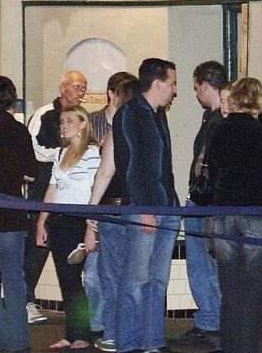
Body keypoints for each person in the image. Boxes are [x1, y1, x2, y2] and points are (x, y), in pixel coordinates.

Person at [207, 77, 262, 353]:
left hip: (225, 211)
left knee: (230, 289)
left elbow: (213, 171)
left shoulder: (218, 130)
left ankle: (229, 346)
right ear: (257, 101)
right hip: (257, 213)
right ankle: (248, 347)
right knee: (253, 290)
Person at [112, 58, 180, 353]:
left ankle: (153, 342)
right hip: (145, 209)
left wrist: (172, 206)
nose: (175, 90)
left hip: (167, 207)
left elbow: (162, 165)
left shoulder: (158, 114)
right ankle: (129, 343)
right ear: (158, 82)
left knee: (157, 280)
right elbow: (130, 166)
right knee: (135, 280)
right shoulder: (129, 113)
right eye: (173, 83)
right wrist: (145, 208)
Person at [0, 75, 36, 353]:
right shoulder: (18, 130)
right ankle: (17, 340)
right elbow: (32, 172)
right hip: (11, 213)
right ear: (12, 98)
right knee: (14, 279)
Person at [24, 70, 87, 324]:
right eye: (76, 87)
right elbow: (34, 152)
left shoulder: (84, 121)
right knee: (37, 248)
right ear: (63, 88)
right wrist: (63, 154)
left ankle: (77, 317)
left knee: (68, 252)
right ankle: (26, 300)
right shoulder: (43, 115)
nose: (81, 92)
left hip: (71, 198)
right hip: (43, 191)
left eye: (84, 87)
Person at [36, 105, 100, 350]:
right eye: (62, 121)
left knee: (74, 278)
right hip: (59, 221)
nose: (64, 125)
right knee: (66, 278)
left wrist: (91, 227)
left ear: (83, 123)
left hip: (78, 219)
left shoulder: (93, 153)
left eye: (69, 120)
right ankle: (71, 332)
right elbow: (52, 189)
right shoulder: (61, 154)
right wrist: (42, 221)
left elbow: (96, 191)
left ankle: (83, 333)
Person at [84, 77, 140, 353]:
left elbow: (105, 171)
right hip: (140, 209)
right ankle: (135, 332)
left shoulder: (117, 130)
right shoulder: (148, 128)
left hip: (113, 208)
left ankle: (113, 333)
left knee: (112, 276)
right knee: (137, 277)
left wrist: (91, 212)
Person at [175, 61, 227, 351]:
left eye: (196, 89)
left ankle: (211, 321)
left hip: (205, 202)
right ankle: (211, 319)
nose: (196, 95)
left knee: (204, 263)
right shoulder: (215, 118)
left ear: (206, 86)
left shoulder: (216, 120)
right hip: (208, 202)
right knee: (207, 263)